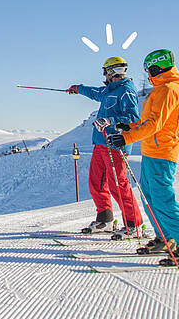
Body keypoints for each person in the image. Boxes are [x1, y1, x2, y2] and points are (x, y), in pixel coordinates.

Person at [106, 49, 179, 265]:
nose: (147, 73)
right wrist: (129, 127)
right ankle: (166, 237)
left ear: (157, 67)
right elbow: (147, 121)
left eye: (148, 69)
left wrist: (127, 138)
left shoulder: (169, 89)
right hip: (151, 151)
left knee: (162, 199)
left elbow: (155, 124)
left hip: (163, 153)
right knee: (149, 196)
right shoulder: (160, 89)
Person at [68, 57, 142, 237]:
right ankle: (105, 219)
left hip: (116, 144)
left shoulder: (126, 91)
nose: (104, 76)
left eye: (105, 72)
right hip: (101, 143)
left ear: (111, 72)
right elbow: (94, 92)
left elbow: (133, 118)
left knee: (118, 184)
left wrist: (110, 120)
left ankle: (134, 224)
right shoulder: (110, 90)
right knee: (97, 182)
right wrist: (78, 88)